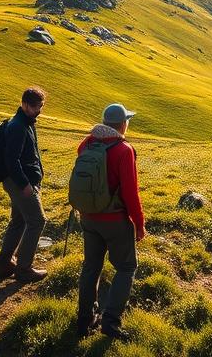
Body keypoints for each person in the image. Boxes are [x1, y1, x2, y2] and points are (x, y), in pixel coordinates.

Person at [77, 102, 146, 341]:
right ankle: (111, 322)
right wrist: (139, 223)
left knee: (91, 267)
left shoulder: (87, 143)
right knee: (126, 267)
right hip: (115, 220)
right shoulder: (124, 150)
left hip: (88, 216)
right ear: (123, 124)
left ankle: (84, 319)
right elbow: (130, 193)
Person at [0, 87, 47, 282]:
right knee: (37, 220)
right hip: (19, 182)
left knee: (19, 221)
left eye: (40, 106)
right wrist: (24, 184)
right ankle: (24, 268)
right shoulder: (18, 126)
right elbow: (11, 159)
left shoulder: (25, 123)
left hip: (19, 180)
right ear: (24, 104)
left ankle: (4, 264)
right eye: (34, 107)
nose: (38, 110)